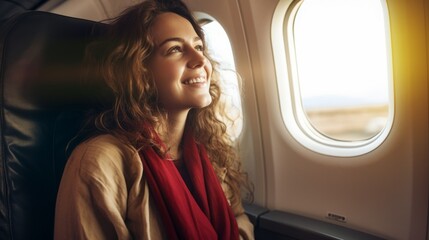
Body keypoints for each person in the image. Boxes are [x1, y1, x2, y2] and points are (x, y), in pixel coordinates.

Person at [54, 0, 254, 239]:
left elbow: (238, 218)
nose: (200, 60)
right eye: (175, 50)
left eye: (199, 47)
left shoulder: (209, 150)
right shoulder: (99, 162)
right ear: (139, 71)